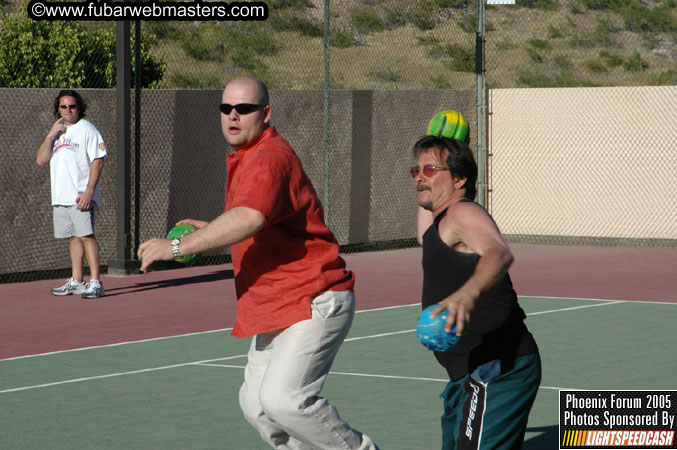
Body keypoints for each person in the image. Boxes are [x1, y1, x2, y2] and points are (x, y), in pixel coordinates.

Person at [138, 76, 379, 450]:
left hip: (313, 298)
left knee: (285, 401)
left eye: (244, 109)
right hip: (277, 303)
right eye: (226, 108)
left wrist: (176, 247)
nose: (233, 116)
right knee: (257, 407)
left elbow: (249, 218)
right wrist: (210, 229)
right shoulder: (249, 156)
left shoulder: (268, 158)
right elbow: (253, 219)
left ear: (265, 114)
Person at [411, 135, 540, 450]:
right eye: (415, 171)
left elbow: (497, 253)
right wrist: (436, 155)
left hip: (497, 366)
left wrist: (465, 295)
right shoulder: (441, 221)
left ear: (460, 178)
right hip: (469, 373)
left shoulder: (463, 213)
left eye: (430, 169)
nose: (419, 177)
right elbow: (424, 234)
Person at [36, 90, 107, 299]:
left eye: (72, 106)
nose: (68, 110)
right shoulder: (56, 132)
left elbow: (98, 160)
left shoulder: (87, 130)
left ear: (79, 108)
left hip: (80, 196)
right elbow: (41, 160)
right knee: (73, 238)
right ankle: (77, 281)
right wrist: (51, 134)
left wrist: (89, 192)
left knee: (86, 236)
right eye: (64, 107)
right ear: (58, 109)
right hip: (61, 196)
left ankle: (96, 282)